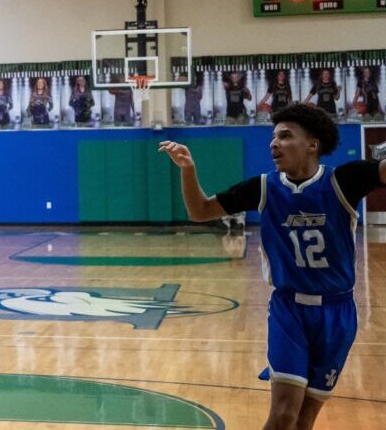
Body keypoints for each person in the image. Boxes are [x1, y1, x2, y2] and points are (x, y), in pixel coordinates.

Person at [158, 103, 385, 430]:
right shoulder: (263, 187)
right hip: (288, 309)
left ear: (313, 144)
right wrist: (188, 169)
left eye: (285, 136)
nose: (274, 143)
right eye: (273, 137)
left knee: (303, 421)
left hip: (337, 313)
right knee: (282, 416)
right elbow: (200, 211)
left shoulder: (344, 180)